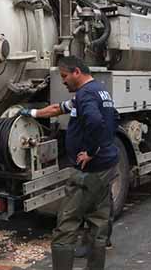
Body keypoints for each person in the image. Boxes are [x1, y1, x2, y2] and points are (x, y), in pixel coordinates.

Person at [19, 56, 118, 270]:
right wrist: (31, 112)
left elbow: (95, 122)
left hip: (89, 171)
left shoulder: (86, 95)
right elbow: (59, 108)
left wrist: (90, 151)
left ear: (77, 73)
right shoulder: (99, 91)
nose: (63, 81)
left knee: (66, 224)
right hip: (105, 167)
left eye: (64, 76)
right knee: (98, 222)